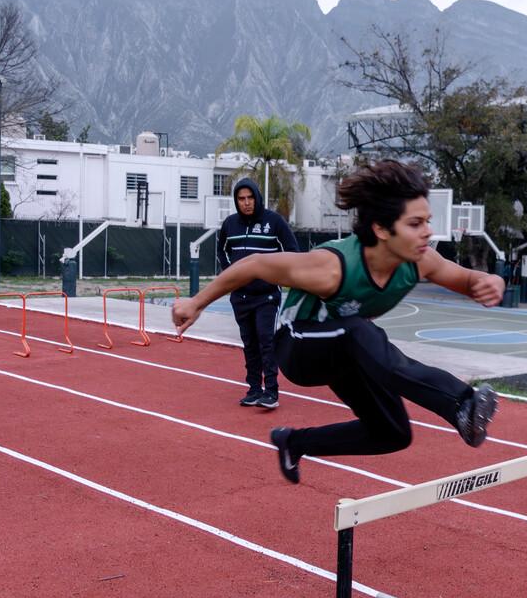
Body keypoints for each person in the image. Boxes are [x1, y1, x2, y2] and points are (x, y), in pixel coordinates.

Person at [174, 160, 504, 485]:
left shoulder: (420, 261)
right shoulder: (332, 267)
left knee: (393, 432)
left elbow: (466, 279)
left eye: (428, 221)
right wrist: (196, 302)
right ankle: (461, 403)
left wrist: (486, 281)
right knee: (361, 332)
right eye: (415, 224)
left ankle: (295, 443)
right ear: (381, 229)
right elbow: (256, 264)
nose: (428, 232)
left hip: (349, 352)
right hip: (298, 347)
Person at [217, 177, 300, 410]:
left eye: (250, 197)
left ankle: (271, 392)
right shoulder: (230, 224)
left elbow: (293, 252)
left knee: (266, 341)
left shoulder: (274, 222)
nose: (246, 202)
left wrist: (276, 276)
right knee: (249, 343)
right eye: (241, 199)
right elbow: (222, 250)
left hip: (267, 297)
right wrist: (232, 274)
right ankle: (254, 389)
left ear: (257, 197)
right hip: (240, 297)